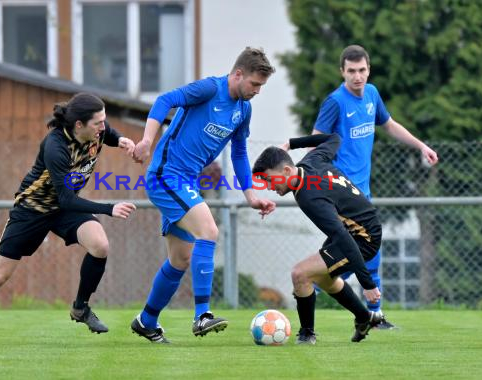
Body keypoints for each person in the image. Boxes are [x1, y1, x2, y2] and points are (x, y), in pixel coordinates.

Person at [0, 93, 137, 344]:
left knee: (100, 245)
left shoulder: (97, 132)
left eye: (104, 121)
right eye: (98, 122)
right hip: (32, 210)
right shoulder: (55, 146)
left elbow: (109, 132)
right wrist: (108, 208)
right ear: (78, 124)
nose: (103, 127)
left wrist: (121, 139)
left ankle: (80, 308)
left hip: (63, 210)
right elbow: (67, 198)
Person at [130, 47, 277, 343]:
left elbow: (238, 153)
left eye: (261, 86)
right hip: (166, 176)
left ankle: (146, 320)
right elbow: (165, 100)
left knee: (180, 259)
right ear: (238, 74)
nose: (257, 91)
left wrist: (250, 195)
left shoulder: (243, 110)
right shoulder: (210, 88)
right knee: (209, 231)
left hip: (186, 183)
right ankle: (202, 315)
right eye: (255, 84)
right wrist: (147, 140)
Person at [311, 45, 439, 328]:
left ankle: (318, 290)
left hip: (362, 193)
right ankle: (313, 288)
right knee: (360, 253)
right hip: (342, 192)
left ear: (368, 69)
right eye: (352, 71)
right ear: (342, 72)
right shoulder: (335, 102)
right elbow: (315, 140)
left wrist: (421, 146)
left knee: (355, 255)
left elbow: (389, 125)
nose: (358, 77)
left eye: (362, 70)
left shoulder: (372, 94)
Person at [253, 133, 384, 344]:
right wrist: (290, 144)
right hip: (359, 229)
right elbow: (333, 139)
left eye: (269, 179)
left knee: (301, 274)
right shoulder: (311, 161)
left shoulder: (310, 196)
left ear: (286, 171)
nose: (268, 187)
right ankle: (363, 317)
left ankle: (307, 334)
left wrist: (367, 284)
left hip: (363, 238)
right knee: (324, 278)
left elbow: (342, 236)